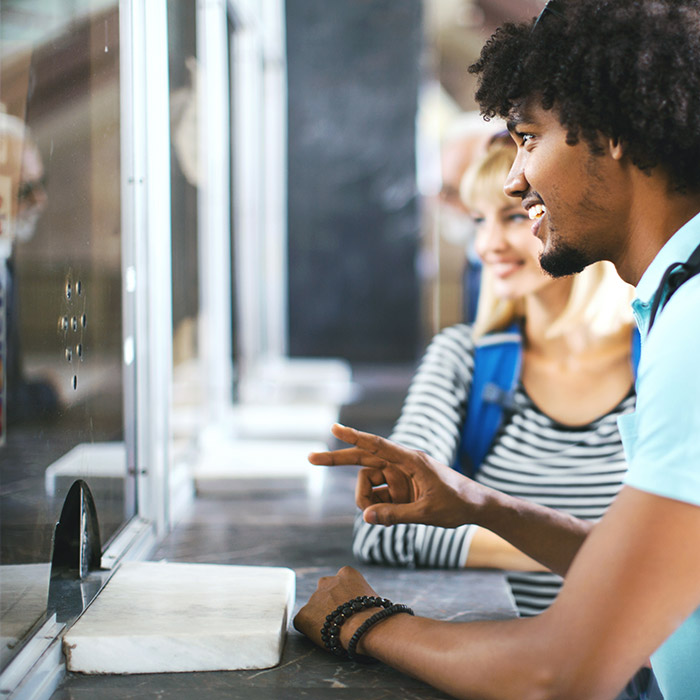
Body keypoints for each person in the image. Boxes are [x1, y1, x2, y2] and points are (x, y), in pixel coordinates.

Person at [294, 2, 700, 699]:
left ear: (610, 133)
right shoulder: (675, 304)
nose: (514, 179)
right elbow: (661, 577)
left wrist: (362, 622)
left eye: (528, 137)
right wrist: (482, 505)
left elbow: (560, 673)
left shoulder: (693, 325)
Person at [353, 134, 639, 622]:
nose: (487, 246)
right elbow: (383, 525)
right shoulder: (462, 359)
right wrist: (601, 554)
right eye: (478, 222)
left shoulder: (667, 359)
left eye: (514, 215)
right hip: (508, 668)